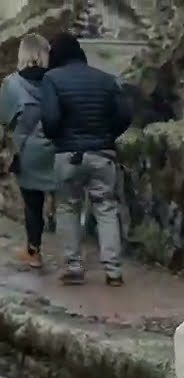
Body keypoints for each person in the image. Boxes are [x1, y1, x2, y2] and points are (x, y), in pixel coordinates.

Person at [39, 32, 132, 286]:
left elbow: (50, 119)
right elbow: (124, 114)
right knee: (106, 208)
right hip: (103, 154)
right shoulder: (106, 79)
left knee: (68, 207)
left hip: (68, 156)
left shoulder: (52, 79)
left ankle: (74, 267)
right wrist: (106, 135)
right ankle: (113, 271)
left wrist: (59, 137)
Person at [0, 34, 56, 269]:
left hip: (28, 152)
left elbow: (4, 119)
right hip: (57, 150)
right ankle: (74, 256)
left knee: (32, 204)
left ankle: (34, 251)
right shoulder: (56, 80)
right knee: (65, 200)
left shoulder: (12, 83)